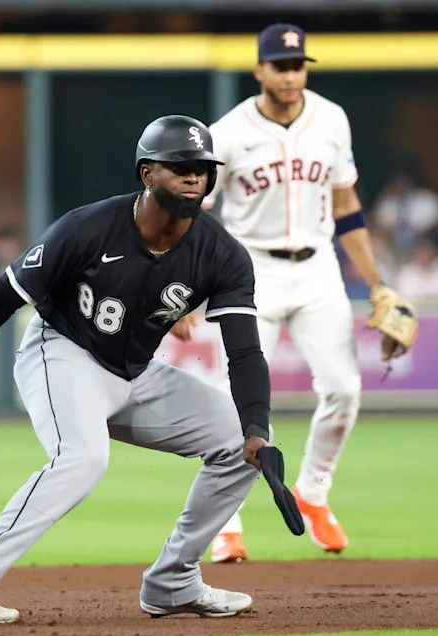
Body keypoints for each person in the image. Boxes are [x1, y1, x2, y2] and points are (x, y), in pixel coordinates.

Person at [0, 115, 275, 623]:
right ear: (146, 173)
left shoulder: (222, 254)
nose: (194, 177)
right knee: (83, 459)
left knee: (236, 443)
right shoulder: (88, 226)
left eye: (203, 168)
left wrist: (255, 429)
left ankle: (173, 583)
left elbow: (245, 353)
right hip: (63, 353)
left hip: (136, 373)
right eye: (179, 167)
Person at [172, 24, 411, 563]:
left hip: (319, 266)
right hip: (248, 268)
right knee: (233, 403)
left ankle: (314, 494)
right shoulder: (228, 132)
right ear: (259, 70)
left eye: (298, 64)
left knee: (345, 389)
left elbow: (347, 206)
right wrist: (182, 293)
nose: (290, 74)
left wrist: (376, 283)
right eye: (279, 65)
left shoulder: (331, 119)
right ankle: (225, 526)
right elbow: (191, 214)